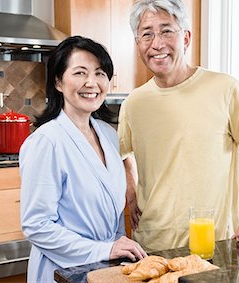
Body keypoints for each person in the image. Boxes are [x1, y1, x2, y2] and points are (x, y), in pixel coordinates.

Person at [118, 0, 239, 252]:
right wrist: (131, 193)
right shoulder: (134, 103)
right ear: (138, 44)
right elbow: (123, 155)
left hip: (218, 245)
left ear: (186, 38)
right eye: (147, 34)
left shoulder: (226, 89)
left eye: (167, 31)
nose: (157, 43)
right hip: (153, 245)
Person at [20, 36, 147, 282]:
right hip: (63, 270)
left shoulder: (108, 135)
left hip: (106, 267)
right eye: (79, 73)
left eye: (100, 73)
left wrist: (116, 250)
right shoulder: (47, 142)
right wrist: (104, 250)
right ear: (58, 81)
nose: (92, 82)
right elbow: (37, 225)